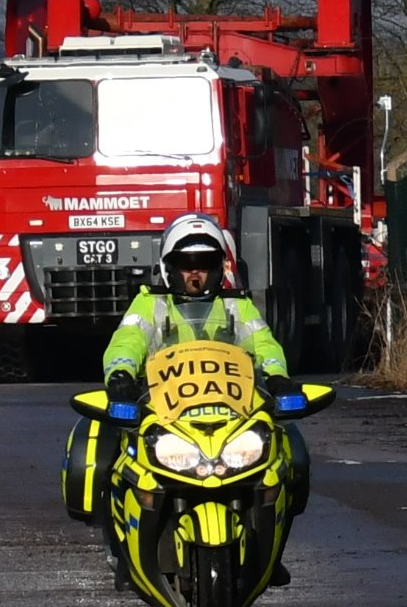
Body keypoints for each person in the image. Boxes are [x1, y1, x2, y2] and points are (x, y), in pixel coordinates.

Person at [101, 213, 307, 518]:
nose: (195, 274)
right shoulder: (151, 303)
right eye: (186, 265)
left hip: (231, 412)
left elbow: (264, 344)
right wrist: (121, 373)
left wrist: (277, 377)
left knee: (287, 448)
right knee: (108, 451)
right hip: (165, 412)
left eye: (206, 264)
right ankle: (112, 521)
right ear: (168, 267)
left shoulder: (237, 304)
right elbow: (127, 340)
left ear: (219, 268)